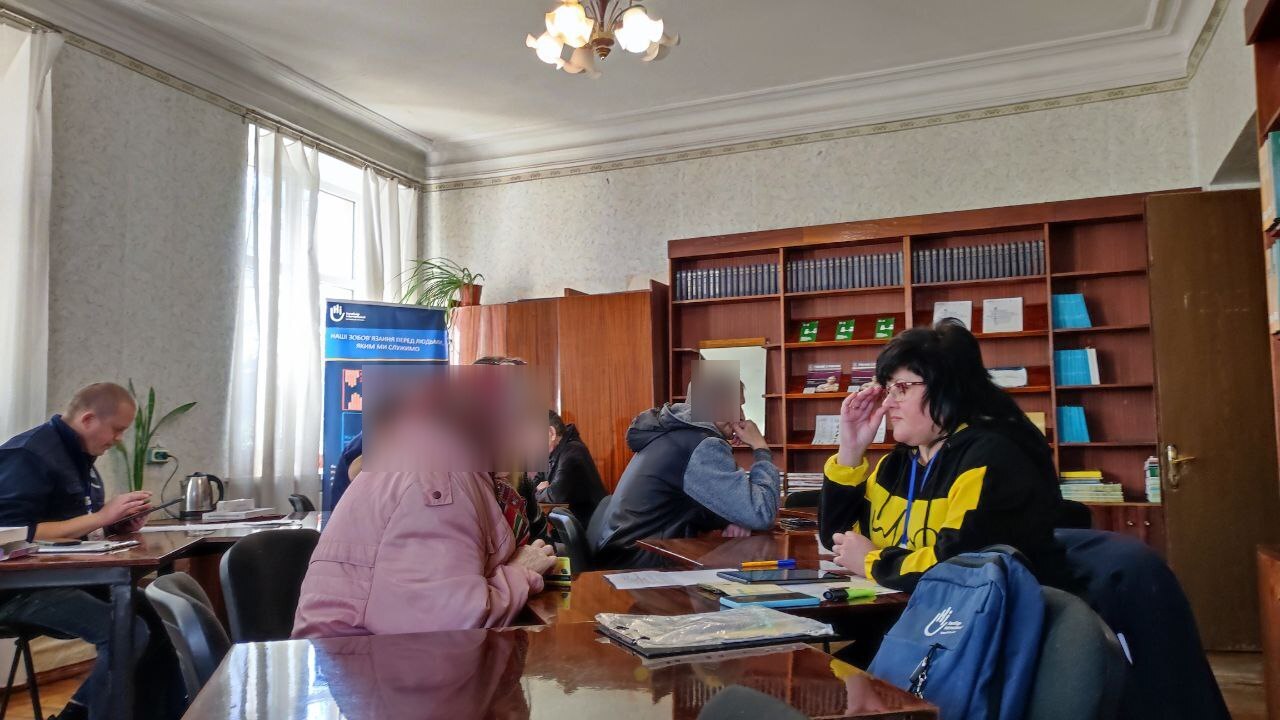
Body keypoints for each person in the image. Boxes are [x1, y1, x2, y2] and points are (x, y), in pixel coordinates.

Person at [293, 366, 557, 638]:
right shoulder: (443, 472)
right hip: (361, 655)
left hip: (359, 651)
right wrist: (521, 573)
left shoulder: (438, 457)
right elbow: (447, 623)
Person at [818, 320, 1071, 593]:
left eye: (902, 388)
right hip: (918, 609)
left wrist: (873, 561)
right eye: (888, 389)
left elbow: (957, 565)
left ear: (948, 389)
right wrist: (851, 451)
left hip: (1003, 613)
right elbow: (840, 540)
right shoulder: (898, 463)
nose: (888, 402)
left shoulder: (991, 459)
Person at [0, 383, 154, 720]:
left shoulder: (81, 458)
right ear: (87, 419)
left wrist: (115, 526)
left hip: (61, 578)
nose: (118, 440)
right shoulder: (28, 454)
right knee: (127, 631)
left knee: (153, 612)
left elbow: (73, 527)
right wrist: (101, 517)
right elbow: (8, 536)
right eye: (117, 429)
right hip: (17, 590)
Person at [593, 383, 780, 569]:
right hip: (642, 566)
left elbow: (687, 504)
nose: (742, 416)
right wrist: (761, 448)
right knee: (755, 576)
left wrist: (732, 518)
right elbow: (761, 513)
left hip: (626, 556)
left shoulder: (678, 434)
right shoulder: (703, 445)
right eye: (737, 406)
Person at [534, 410, 606, 524]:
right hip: (573, 523)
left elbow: (555, 495)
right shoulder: (551, 453)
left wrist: (541, 490)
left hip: (592, 526)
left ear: (551, 433)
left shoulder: (573, 451)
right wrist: (540, 490)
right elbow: (534, 484)